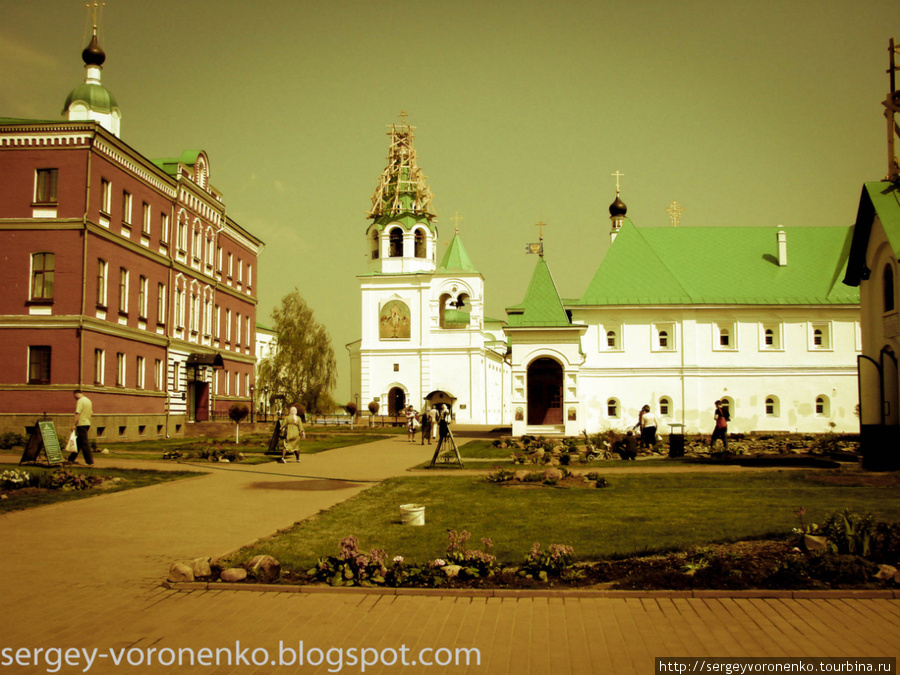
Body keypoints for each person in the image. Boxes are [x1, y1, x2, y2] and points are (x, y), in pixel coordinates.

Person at [69, 390, 94, 465]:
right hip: (87, 422)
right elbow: (91, 412)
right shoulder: (88, 401)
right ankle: (71, 458)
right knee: (78, 442)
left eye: (74, 396)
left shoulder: (80, 401)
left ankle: (89, 461)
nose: (74, 398)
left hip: (81, 423)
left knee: (84, 443)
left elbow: (77, 413)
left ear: (76, 394)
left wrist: (73, 424)